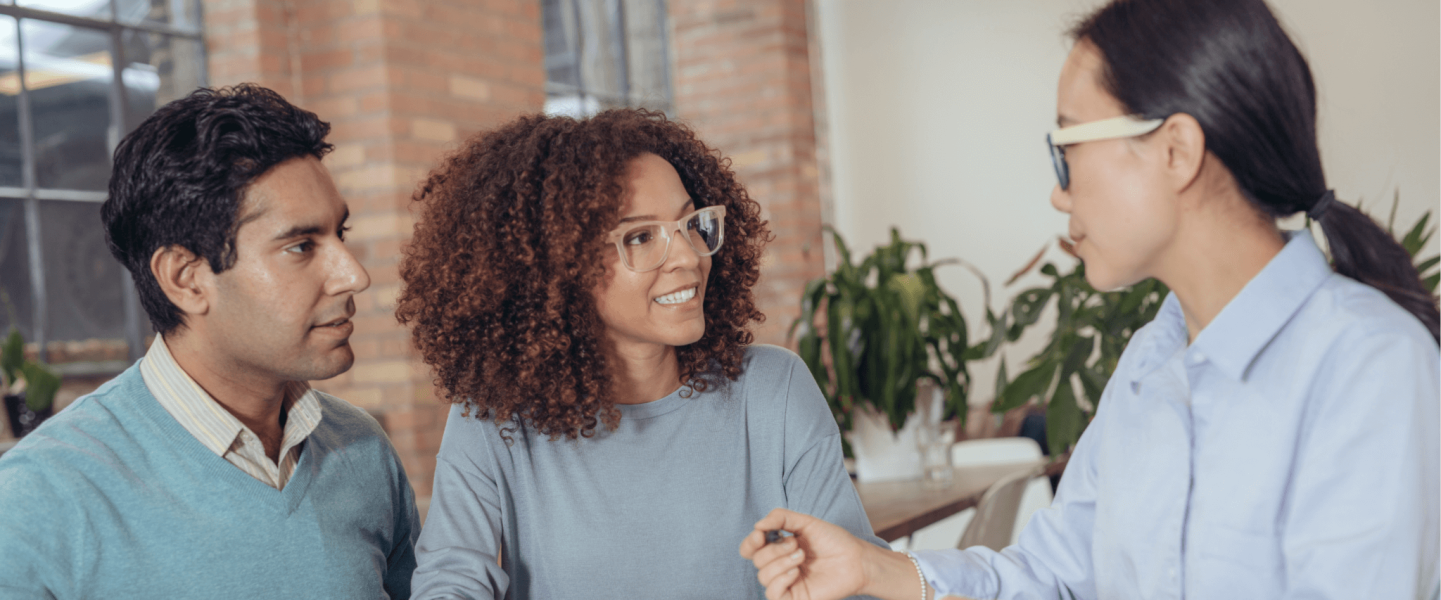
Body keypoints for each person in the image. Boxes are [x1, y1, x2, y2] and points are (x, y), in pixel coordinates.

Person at [741, 0, 1440, 598]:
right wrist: (875, 569)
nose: (1057, 190)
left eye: (1065, 149)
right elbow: (1055, 575)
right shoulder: (1150, 363)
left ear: (1174, 151)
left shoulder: (1366, 365)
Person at [399, 109, 885, 598]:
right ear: (560, 269)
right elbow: (451, 581)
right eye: (640, 236)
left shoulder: (772, 391)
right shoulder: (493, 420)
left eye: (691, 223)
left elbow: (854, 577)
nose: (688, 256)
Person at [0, 85, 420, 599]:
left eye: (342, 234)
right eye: (301, 246)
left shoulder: (362, 450)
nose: (352, 275)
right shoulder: (39, 496)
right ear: (186, 278)